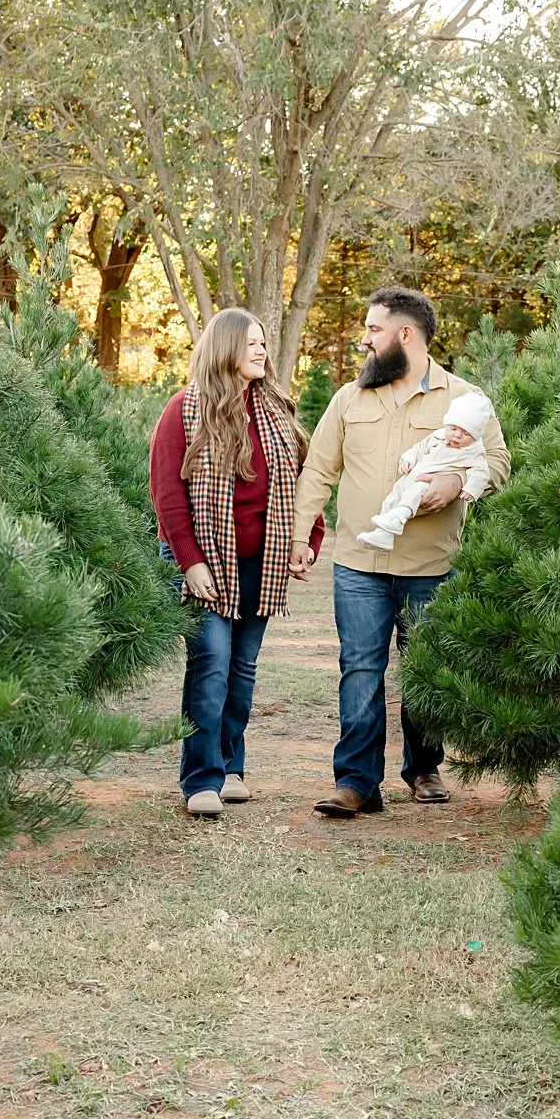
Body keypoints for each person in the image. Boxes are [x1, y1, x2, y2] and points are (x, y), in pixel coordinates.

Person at [289, 287, 511, 818]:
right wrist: (301, 536)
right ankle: (357, 782)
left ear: (405, 335)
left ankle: (424, 768)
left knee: (426, 668)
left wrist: (456, 486)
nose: (364, 339)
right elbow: (320, 470)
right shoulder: (350, 398)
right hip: (358, 565)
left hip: (431, 563)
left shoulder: (464, 399)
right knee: (360, 668)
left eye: (373, 329)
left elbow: (499, 462)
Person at [150, 308, 325, 818]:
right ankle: (200, 778)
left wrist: (308, 539)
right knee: (211, 661)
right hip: (203, 560)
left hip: (260, 563)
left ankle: (230, 767)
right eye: (250, 342)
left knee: (242, 668)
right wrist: (189, 562)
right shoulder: (184, 410)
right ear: (224, 347)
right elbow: (166, 495)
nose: (260, 351)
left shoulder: (276, 411)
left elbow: (302, 484)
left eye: (264, 343)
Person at [355, 391, 495, 551]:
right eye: (453, 428)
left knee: (414, 493)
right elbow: (418, 449)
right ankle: (383, 535)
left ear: (476, 436)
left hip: (429, 484)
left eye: (466, 433)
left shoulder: (474, 451)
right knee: (391, 499)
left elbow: (481, 472)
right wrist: (407, 460)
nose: (457, 435)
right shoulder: (438, 436)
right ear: (447, 424)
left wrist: (471, 488)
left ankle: (400, 516)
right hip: (410, 478)